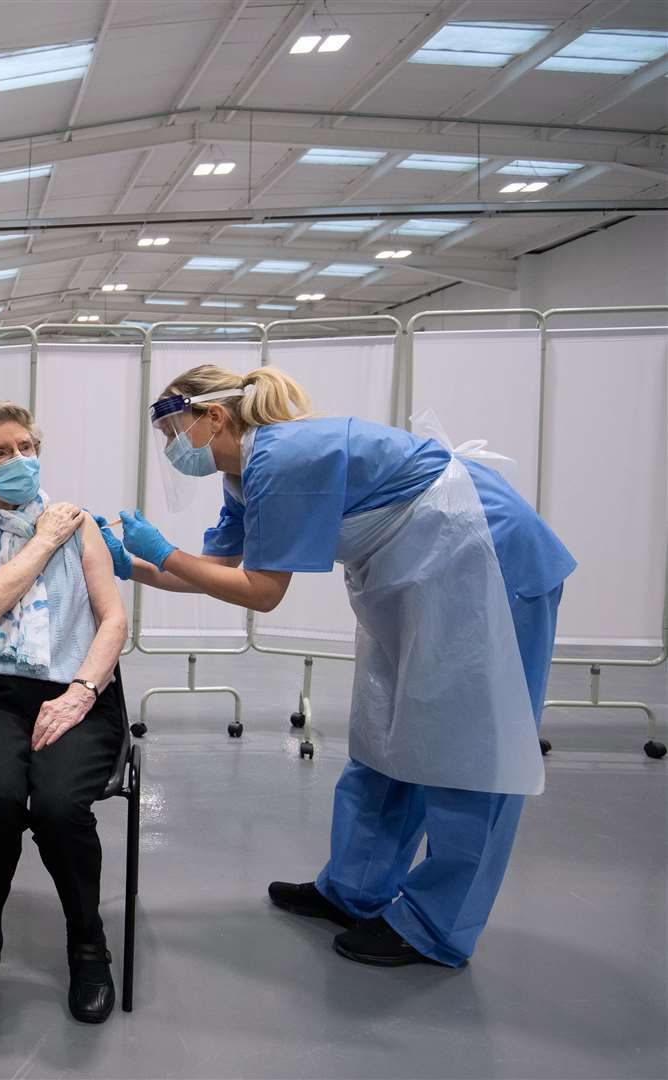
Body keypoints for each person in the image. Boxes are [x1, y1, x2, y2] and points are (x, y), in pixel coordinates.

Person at [98, 364, 574, 969]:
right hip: (420, 573)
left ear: (213, 416)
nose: (171, 450)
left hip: (485, 558)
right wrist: (127, 563)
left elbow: (261, 591)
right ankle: (355, 889)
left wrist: (159, 550)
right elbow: (213, 569)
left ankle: (435, 926)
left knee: (471, 752)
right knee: (385, 732)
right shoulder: (244, 472)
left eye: (172, 433)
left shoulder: (283, 457)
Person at [0, 401, 128, 1028]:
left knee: (56, 805)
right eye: (0, 453)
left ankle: (87, 943)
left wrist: (80, 692)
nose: (20, 459)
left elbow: (113, 619)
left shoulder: (81, 524)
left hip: (78, 687)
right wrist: (43, 539)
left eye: (25, 446)